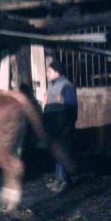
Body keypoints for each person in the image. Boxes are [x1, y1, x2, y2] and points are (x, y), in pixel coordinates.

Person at [43, 59, 78, 193]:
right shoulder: (52, 85)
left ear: (57, 72)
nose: (47, 73)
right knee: (57, 151)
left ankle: (65, 180)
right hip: (53, 123)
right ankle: (59, 178)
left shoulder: (65, 85)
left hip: (62, 123)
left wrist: (68, 125)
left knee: (63, 150)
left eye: (49, 71)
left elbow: (71, 106)